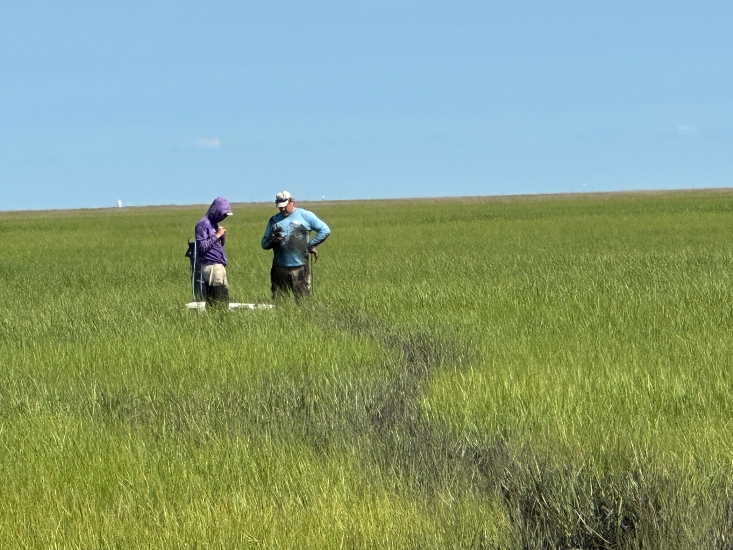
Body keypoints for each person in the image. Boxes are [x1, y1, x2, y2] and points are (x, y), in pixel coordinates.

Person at [261, 190, 330, 299]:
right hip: (279, 268)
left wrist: (311, 245)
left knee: (303, 300)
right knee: (280, 301)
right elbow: (264, 244)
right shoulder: (274, 220)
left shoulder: (305, 215)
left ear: (291, 201)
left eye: (284, 206)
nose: (282, 209)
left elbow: (325, 230)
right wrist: (273, 241)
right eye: (280, 207)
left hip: (300, 267)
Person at [195, 197, 233, 306]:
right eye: (223, 214)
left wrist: (221, 238)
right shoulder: (203, 225)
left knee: (223, 298)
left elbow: (216, 246)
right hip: (211, 266)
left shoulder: (214, 224)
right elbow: (201, 247)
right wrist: (217, 235)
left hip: (218, 265)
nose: (223, 218)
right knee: (217, 298)